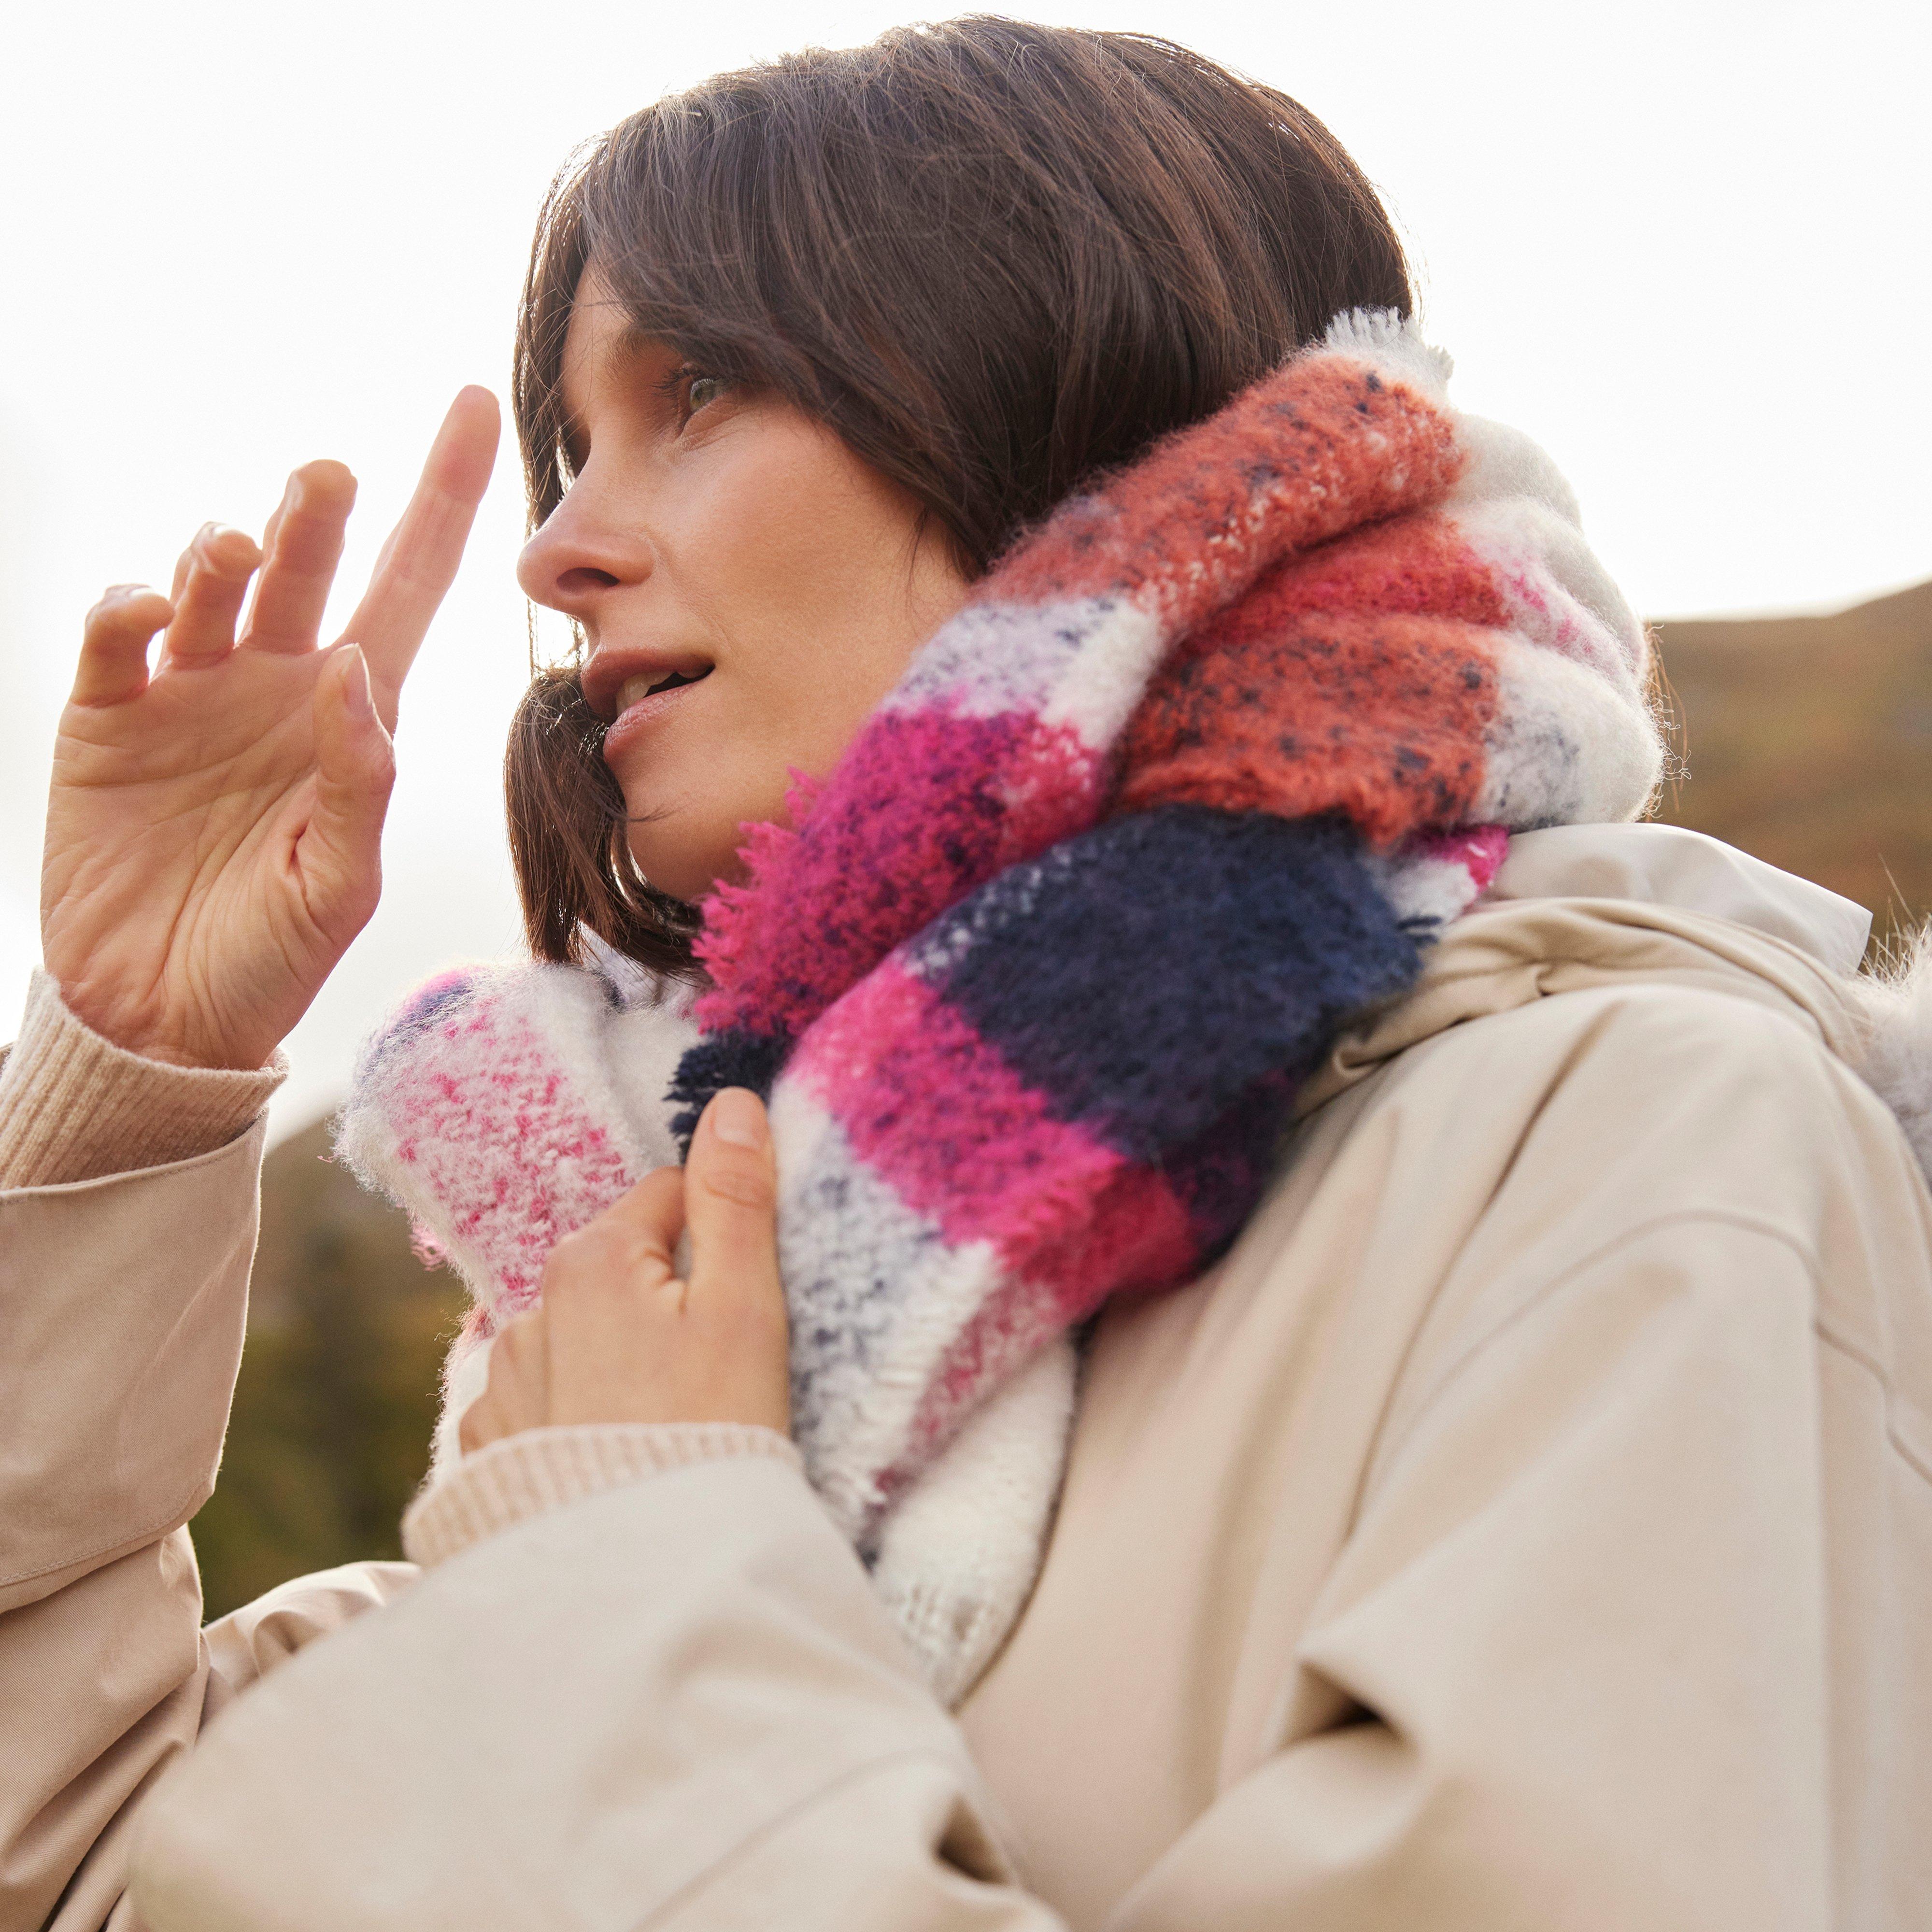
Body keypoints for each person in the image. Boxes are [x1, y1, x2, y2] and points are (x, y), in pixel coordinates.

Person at [2, 18, 1929, 1931]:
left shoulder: (1633, 1150)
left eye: (694, 391)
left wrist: (632, 1563)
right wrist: (135, 1065)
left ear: (1073, 385)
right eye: (569, 452)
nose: (558, 550)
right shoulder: (678, 1311)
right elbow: (84, 1870)